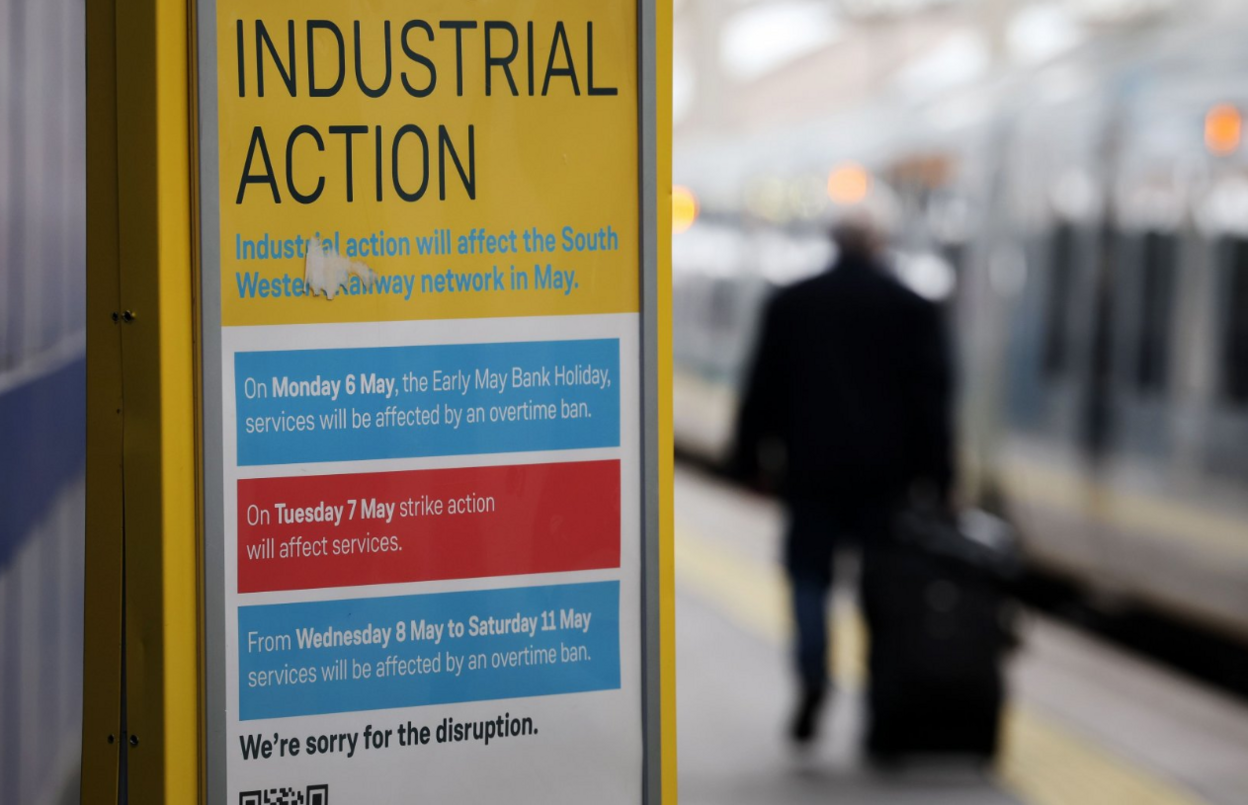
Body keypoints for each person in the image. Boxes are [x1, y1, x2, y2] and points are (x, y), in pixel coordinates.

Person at [729, 216, 954, 745]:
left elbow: (760, 387)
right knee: (883, 591)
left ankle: (813, 676)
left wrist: (746, 462)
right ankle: (879, 703)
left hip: (810, 473)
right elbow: (934, 401)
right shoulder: (912, 308)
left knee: (809, 578)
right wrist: (941, 479)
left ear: (833, 245)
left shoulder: (793, 303)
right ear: (879, 244)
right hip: (886, 481)